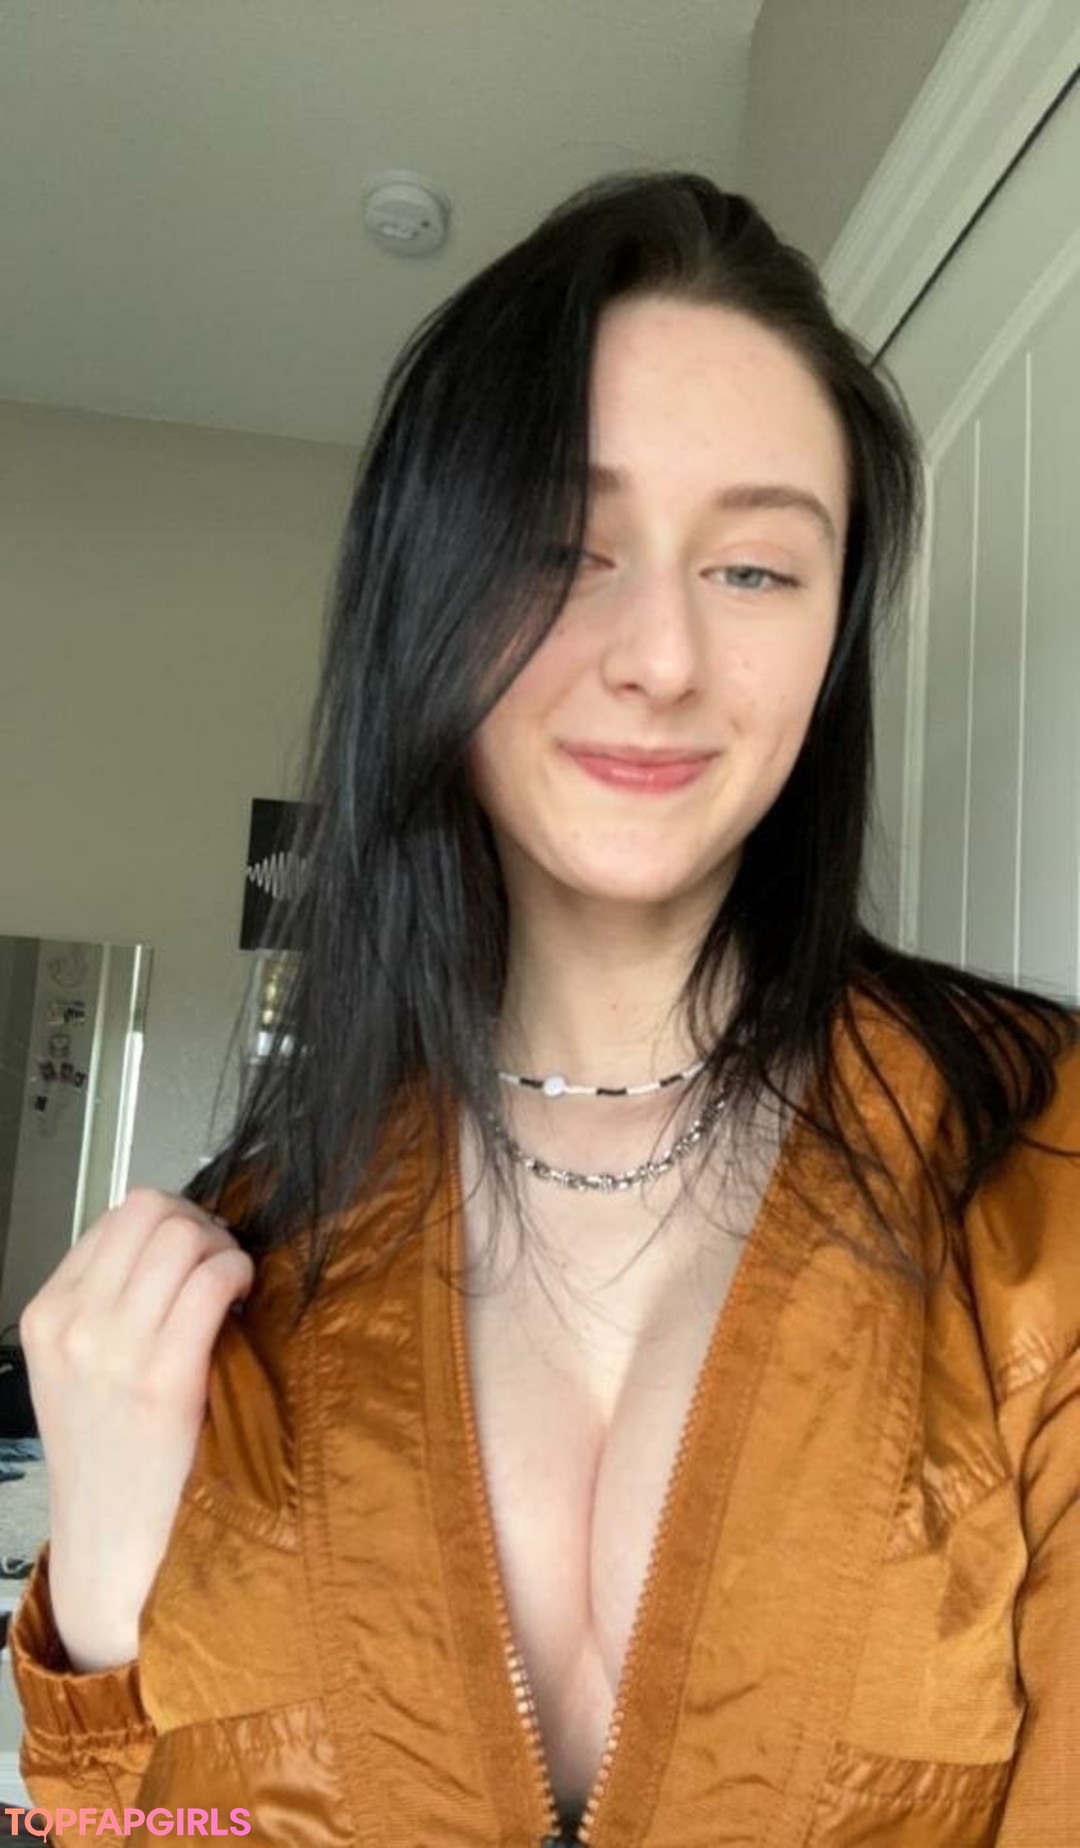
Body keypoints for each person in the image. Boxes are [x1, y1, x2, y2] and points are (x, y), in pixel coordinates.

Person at [8, 172, 1080, 1847]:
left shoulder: (1041, 1177)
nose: (662, 655)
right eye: (561, 549)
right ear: (425, 594)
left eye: (756, 570)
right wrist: (102, 1607)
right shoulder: (250, 1261)